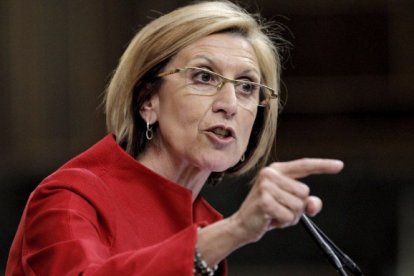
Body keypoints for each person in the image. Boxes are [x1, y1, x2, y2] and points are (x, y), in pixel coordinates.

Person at [6, 1, 344, 275]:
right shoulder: (69, 199)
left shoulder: (204, 222)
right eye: (203, 76)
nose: (229, 105)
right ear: (147, 101)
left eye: (246, 86)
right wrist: (234, 231)